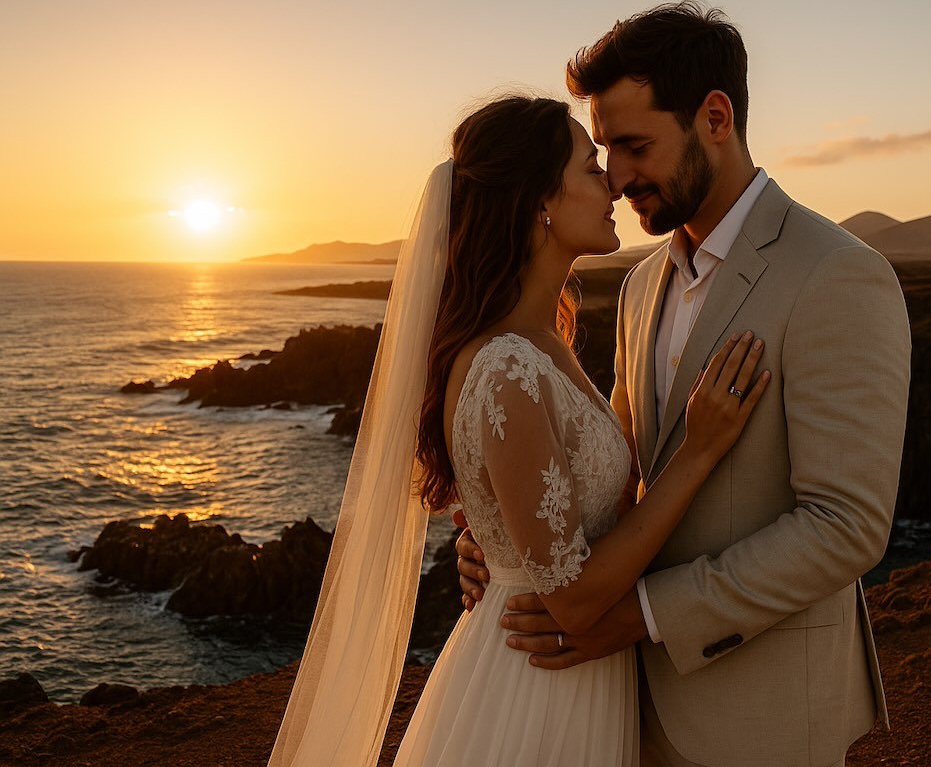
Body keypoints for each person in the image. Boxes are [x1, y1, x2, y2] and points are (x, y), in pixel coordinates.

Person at [455, 0, 913, 767]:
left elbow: (847, 526)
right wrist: (513, 542)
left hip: (760, 716)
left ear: (714, 117)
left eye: (635, 146)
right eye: (602, 151)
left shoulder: (839, 276)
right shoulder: (639, 287)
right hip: (624, 710)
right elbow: (620, 476)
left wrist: (640, 615)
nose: (617, 176)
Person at [266, 93, 770, 767]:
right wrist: (700, 450)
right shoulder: (508, 367)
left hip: (570, 680)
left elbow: (547, 517)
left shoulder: (544, 341)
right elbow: (573, 601)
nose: (612, 183)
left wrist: (494, 546)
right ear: (540, 202)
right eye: (592, 169)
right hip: (533, 696)